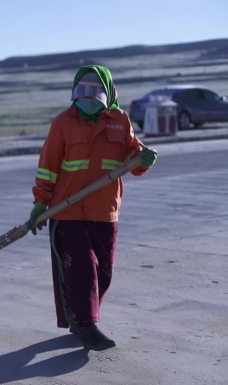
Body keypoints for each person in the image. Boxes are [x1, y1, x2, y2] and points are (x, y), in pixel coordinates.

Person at [28, 65, 157, 351]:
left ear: (109, 92)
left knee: (104, 270)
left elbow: (132, 155)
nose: (87, 97)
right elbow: (47, 167)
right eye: (81, 91)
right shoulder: (63, 123)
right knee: (81, 269)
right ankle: (86, 324)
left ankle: (82, 317)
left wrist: (143, 157)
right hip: (67, 211)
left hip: (105, 210)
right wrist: (40, 202)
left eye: (94, 91)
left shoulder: (120, 120)